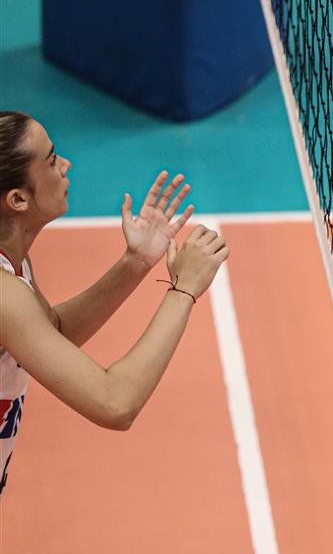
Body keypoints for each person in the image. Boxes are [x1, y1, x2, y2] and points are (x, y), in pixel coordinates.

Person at [0, 111, 230, 498]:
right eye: (51, 160)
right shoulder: (5, 295)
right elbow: (115, 403)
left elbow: (48, 334)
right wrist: (184, 290)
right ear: (18, 199)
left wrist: (136, 262)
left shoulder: (13, 266)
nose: (65, 164)